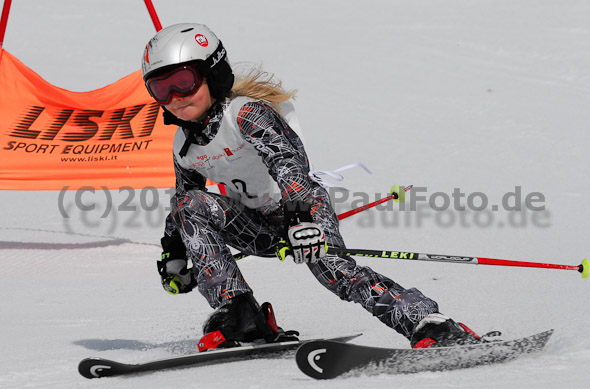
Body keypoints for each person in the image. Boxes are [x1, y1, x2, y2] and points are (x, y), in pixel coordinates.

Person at [142, 23, 483, 351]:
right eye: (160, 89)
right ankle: (240, 313)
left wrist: (299, 219)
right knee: (190, 204)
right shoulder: (184, 144)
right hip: (254, 224)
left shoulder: (245, 114)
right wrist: (174, 251)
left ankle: (429, 323)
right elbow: (184, 199)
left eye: (183, 82)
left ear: (212, 73)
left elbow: (289, 165)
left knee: (335, 272)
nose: (173, 97)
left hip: (303, 209)